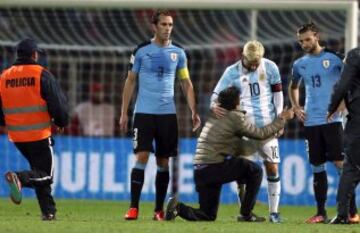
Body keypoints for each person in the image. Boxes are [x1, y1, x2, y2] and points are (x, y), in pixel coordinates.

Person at [164, 86, 294, 222]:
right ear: (235, 103)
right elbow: (260, 134)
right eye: (240, 99)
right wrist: (282, 119)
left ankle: (177, 207)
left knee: (207, 215)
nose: (241, 102)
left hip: (201, 170)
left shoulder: (215, 115)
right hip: (214, 166)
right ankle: (246, 214)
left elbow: (241, 146)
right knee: (255, 171)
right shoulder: (234, 117)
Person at [119, 10, 201, 221]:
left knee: (163, 162)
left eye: (170, 24)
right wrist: (124, 112)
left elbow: (185, 82)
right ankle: (133, 207)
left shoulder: (179, 53)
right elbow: (130, 81)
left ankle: (158, 210)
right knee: (142, 157)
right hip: (144, 113)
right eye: (163, 24)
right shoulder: (141, 51)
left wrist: (194, 110)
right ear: (154, 26)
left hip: (167, 114)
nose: (167, 28)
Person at [289, 22, 358, 224]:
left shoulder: (335, 58)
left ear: (316, 36)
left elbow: (351, 80)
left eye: (307, 39)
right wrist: (296, 106)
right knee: (316, 166)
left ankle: (352, 213)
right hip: (311, 122)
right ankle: (321, 213)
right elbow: (293, 86)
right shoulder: (299, 64)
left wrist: (344, 102)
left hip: (333, 121)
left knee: (341, 165)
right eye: (301, 41)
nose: (304, 44)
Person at [210, 40, 284, 223]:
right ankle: (246, 213)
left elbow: (278, 95)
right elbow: (215, 95)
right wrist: (213, 106)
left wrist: (280, 118)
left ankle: (274, 213)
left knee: (272, 167)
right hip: (243, 130)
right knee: (244, 173)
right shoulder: (231, 72)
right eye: (250, 61)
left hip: (267, 128)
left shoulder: (270, 67)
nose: (253, 64)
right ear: (243, 56)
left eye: (256, 62)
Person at [0, 38, 69, 220]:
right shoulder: (41, 74)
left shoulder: (4, 77)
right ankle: (19, 178)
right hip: (38, 133)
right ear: (34, 54)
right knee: (46, 175)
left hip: (17, 136)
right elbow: (57, 102)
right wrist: (61, 121)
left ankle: (49, 212)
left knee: (38, 170)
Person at [328, 47, 360, 224]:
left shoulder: (355, 55)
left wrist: (331, 108)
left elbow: (343, 85)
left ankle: (343, 214)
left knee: (351, 169)